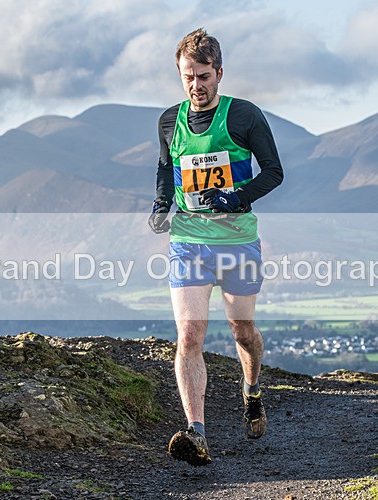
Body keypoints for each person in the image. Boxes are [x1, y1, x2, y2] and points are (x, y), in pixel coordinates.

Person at [149, 28, 284, 466]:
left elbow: (275, 172)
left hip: (237, 242)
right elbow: (167, 167)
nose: (195, 85)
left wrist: (238, 196)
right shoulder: (170, 120)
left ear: (219, 73)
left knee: (242, 331)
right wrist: (160, 204)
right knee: (189, 335)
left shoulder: (244, 116)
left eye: (203, 76)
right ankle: (197, 432)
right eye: (188, 76)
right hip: (188, 241)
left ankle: (252, 391)